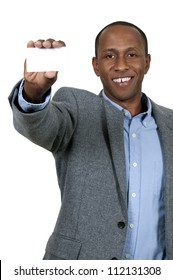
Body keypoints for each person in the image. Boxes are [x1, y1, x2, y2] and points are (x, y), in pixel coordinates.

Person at [9, 21, 173, 260]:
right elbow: (43, 127)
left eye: (132, 54)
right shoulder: (77, 108)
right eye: (109, 56)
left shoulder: (170, 124)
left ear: (147, 62)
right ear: (96, 66)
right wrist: (34, 92)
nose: (120, 65)